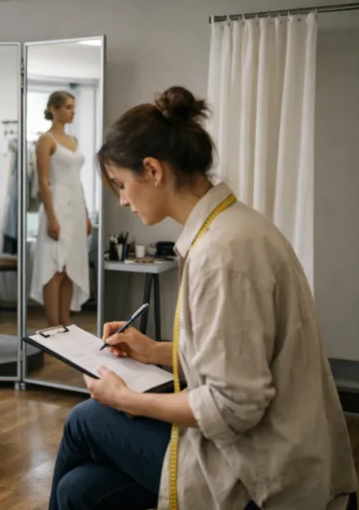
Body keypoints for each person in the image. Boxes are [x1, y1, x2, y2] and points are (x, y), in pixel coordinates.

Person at [49, 86, 357, 510]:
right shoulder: (231, 226)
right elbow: (240, 360)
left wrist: (127, 400)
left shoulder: (223, 252)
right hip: (264, 443)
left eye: (121, 185)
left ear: (153, 170)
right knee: (78, 488)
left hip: (263, 472)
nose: (122, 201)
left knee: (86, 419)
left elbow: (233, 407)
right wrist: (155, 351)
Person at [30, 90, 92, 327]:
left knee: (70, 267)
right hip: (56, 204)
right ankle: (53, 327)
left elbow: (78, 181)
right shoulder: (45, 140)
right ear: (53, 109)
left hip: (75, 206)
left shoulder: (74, 141)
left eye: (73, 107)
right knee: (54, 266)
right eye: (67, 107)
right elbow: (43, 181)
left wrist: (86, 215)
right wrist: (51, 217)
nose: (72, 112)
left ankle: (66, 325)